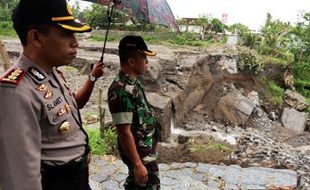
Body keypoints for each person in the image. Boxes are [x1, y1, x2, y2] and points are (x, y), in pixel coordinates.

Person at [0, 0, 104, 189]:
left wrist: (92, 78)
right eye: (65, 34)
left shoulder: (52, 72)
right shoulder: (15, 91)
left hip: (78, 177)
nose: (75, 43)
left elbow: (70, 107)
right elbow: (20, 180)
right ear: (36, 38)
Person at [107, 35, 160, 190]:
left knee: (139, 184)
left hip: (145, 149)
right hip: (140, 154)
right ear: (131, 62)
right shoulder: (120, 90)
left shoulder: (133, 82)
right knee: (148, 185)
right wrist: (137, 164)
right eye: (144, 58)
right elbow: (123, 132)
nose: (147, 63)